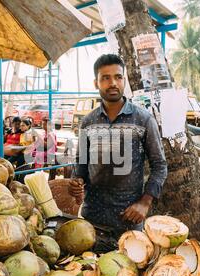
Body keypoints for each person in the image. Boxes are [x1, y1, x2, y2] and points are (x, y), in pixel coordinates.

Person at [69, 54, 168, 240]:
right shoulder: (88, 122)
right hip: (92, 220)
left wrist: (145, 203)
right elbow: (81, 163)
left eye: (118, 77)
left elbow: (160, 165)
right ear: (96, 83)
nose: (113, 83)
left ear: (124, 80)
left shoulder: (144, 119)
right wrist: (76, 182)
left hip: (128, 219)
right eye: (105, 78)